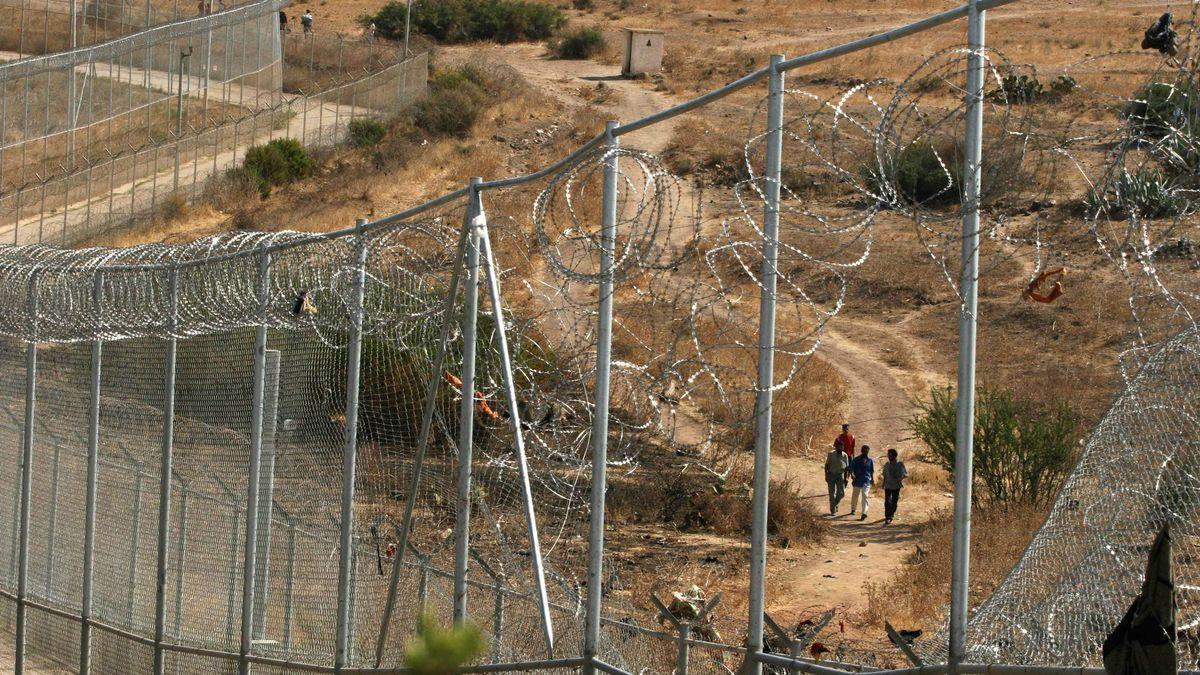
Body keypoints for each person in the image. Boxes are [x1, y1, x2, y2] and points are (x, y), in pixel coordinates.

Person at [882, 447, 909, 525]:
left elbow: (906, 474)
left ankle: (892, 513)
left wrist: (901, 478)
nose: (888, 457)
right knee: (887, 501)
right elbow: (885, 475)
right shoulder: (887, 464)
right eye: (888, 455)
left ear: (894, 456)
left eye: (890, 455)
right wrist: (883, 484)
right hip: (888, 485)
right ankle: (888, 517)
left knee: (894, 501)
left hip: (896, 485)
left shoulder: (900, 464)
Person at [849, 445, 874, 520]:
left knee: (865, 496)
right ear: (861, 451)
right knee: (855, 496)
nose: (865, 452)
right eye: (864, 451)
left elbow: (871, 471)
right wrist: (852, 474)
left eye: (867, 451)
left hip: (866, 481)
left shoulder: (870, 460)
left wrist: (872, 479)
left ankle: (864, 513)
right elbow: (850, 468)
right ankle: (853, 509)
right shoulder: (856, 460)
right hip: (857, 480)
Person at [824, 442, 850, 515]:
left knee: (841, 493)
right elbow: (826, 466)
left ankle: (835, 504)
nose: (840, 449)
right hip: (831, 475)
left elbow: (847, 468)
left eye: (841, 447)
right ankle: (833, 510)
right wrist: (826, 475)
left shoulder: (845, 456)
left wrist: (846, 478)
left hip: (840, 475)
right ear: (836, 447)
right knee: (831, 494)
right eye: (839, 447)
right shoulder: (831, 454)